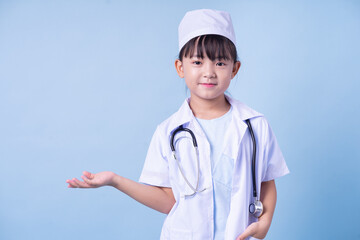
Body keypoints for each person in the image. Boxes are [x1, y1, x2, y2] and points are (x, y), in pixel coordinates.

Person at [66, 9, 289, 240]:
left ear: (234, 69)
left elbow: (265, 182)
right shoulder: (168, 132)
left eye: (220, 62)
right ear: (180, 67)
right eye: (197, 61)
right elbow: (169, 202)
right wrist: (115, 180)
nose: (209, 72)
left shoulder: (255, 125)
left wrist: (264, 223)